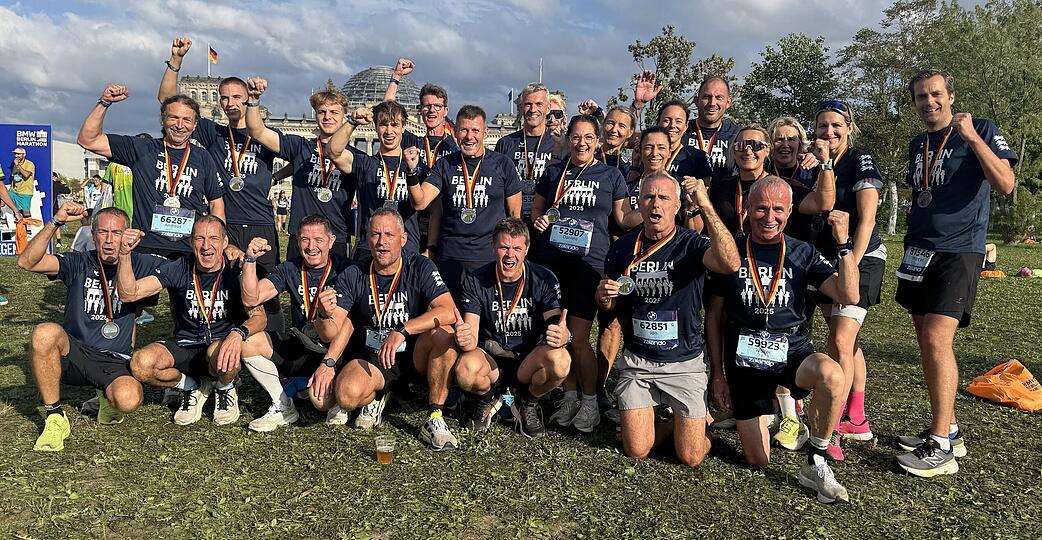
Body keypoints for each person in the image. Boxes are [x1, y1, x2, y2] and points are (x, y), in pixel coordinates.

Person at [894, 69, 1017, 477]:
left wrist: (973, 138)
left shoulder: (981, 129)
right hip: (918, 250)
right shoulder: (918, 144)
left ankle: (941, 447)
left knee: (936, 338)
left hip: (959, 249)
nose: (928, 102)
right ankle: (948, 428)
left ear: (951, 96)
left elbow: (1006, 183)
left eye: (935, 94)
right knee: (925, 341)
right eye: (921, 96)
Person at [708, 176, 858, 503]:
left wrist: (844, 244)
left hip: (791, 350)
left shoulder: (803, 251)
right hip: (744, 359)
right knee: (757, 459)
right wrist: (717, 374)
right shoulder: (731, 251)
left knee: (832, 375)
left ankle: (816, 460)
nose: (769, 217)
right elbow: (714, 316)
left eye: (778, 209)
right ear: (748, 209)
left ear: (789, 212)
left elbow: (849, 294)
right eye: (761, 208)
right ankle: (774, 413)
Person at [596, 171, 739, 466]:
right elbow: (609, 305)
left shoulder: (692, 244)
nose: (655, 204)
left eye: (664, 198)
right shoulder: (623, 247)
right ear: (639, 203)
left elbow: (730, 263)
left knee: (691, 456)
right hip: (638, 361)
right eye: (648, 197)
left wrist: (705, 204)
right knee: (636, 449)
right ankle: (673, 425)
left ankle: (694, 428)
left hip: (683, 362)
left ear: (677, 206)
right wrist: (604, 297)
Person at [159, 37, 286, 331]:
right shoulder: (213, 133)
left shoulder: (265, 136)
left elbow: (301, 156)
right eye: (224, 98)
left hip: (260, 222)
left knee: (267, 287)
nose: (231, 103)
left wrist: (276, 177)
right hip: (226, 223)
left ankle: (274, 340)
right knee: (223, 283)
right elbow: (168, 100)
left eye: (237, 97)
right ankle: (220, 333)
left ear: (248, 99)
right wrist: (175, 61)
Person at [18, 203, 166, 451]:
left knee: (128, 399)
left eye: (116, 233)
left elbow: (184, 268)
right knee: (44, 333)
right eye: (102, 232)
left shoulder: (141, 264)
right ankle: (55, 417)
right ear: (93, 234)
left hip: (114, 359)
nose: (109, 240)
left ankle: (105, 395)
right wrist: (56, 221)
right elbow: (27, 262)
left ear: (127, 234)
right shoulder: (79, 261)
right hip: (75, 352)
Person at [117, 216, 266, 426]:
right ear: (190, 242)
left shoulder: (237, 268)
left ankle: (226, 387)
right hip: (184, 344)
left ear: (225, 242)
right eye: (199, 238)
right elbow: (129, 294)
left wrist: (237, 335)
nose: (206, 246)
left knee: (224, 351)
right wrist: (124, 255)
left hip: (221, 346)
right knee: (141, 364)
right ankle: (190, 387)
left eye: (214, 238)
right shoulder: (179, 267)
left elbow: (259, 317)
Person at [529, 114, 627, 432]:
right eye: (576, 136)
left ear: (597, 141)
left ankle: (590, 401)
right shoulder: (554, 172)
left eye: (588, 137)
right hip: (552, 264)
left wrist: (660, 210)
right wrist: (538, 220)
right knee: (559, 333)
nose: (581, 143)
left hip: (589, 265)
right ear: (568, 138)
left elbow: (623, 218)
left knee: (580, 337)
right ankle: (569, 396)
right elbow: (537, 208)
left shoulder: (611, 175)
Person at [333, 209, 458, 447]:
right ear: (367, 238)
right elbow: (334, 327)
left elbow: (448, 310)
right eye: (375, 234)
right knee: (346, 396)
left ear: (403, 239)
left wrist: (403, 330)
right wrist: (323, 315)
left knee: (445, 334)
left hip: (414, 354)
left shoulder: (420, 266)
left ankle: (435, 416)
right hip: (374, 358)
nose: (381, 242)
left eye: (389, 235)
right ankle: (378, 395)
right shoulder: (355, 271)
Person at [808, 101, 887, 461]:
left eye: (836, 125)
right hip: (827, 258)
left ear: (849, 128)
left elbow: (867, 218)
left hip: (859, 255)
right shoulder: (816, 161)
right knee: (844, 340)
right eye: (822, 126)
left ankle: (834, 424)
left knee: (840, 339)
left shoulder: (860, 160)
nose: (829, 132)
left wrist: (851, 261)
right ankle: (856, 416)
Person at [75, 83, 225, 260]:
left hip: (188, 250)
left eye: (187, 120)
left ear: (195, 125)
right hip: (145, 247)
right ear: (163, 120)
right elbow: (88, 139)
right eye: (173, 118)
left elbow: (216, 203)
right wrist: (104, 102)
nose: (179, 125)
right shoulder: (142, 148)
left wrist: (218, 244)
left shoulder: (203, 157)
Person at [454, 217, 571, 437]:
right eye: (504, 247)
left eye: (517, 248)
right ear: (493, 247)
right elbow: (471, 333)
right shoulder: (476, 279)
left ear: (527, 249)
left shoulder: (543, 277)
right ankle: (487, 400)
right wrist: (464, 338)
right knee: (465, 370)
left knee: (561, 360)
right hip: (491, 360)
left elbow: (555, 324)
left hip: (528, 360)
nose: (510, 255)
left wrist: (564, 335)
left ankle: (527, 403)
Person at [239, 214, 354, 431]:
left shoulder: (347, 270)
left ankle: (320, 387)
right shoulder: (290, 268)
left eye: (318, 240)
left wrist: (328, 362)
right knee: (248, 343)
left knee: (320, 401)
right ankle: (282, 403)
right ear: (297, 240)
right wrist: (250, 260)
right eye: (305, 239)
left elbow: (344, 326)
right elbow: (251, 299)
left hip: (334, 351)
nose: (311, 247)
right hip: (302, 344)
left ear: (331, 241)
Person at [764, 117, 835, 450]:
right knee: (766, 331)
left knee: (794, 335)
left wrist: (824, 163)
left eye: (791, 138)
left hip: (798, 264)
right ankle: (777, 408)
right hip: (761, 261)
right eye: (778, 139)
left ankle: (793, 413)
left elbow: (824, 202)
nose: (785, 144)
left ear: (801, 143)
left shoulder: (810, 171)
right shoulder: (761, 170)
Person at [406, 105, 523, 294]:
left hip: (488, 258)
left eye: (475, 130)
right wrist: (411, 172)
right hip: (450, 257)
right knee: (450, 312)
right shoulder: (444, 164)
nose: (469, 137)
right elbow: (420, 202)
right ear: (454, 132)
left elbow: (515, 216)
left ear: (485, 132)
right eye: (464, 130)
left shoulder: (503, 164)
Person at [244, 77, 359, 259]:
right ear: (315, 116)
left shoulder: (355, 157)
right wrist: (253, 99)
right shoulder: (301, 147)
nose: (327, 117)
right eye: (322, 112)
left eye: (334, 112)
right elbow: (258, 132)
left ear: (344, 116)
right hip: (301, 236)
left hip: (335, 236)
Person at [328, 102, 427, 255]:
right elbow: (333, 152)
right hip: (370, 249)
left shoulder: (417, 167)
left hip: (406, 249)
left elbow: (426, 207)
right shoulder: (365, 164)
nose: (389, 131)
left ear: (403, 127)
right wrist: (352, 122)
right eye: (383, 125)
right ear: (375, 127)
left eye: (394, 125)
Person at [382, 58, 457, 258]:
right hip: (414, 221)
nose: (431, 110)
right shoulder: (412, 141)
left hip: (446, 224)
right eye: (426, 106)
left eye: (437, 106)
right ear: (420, 111)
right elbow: (387, 111)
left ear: (445, 111)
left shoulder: (455, 147)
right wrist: (396, 76)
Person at [627, 102, 713, 231]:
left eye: (678, 121)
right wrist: (638, 103)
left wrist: (694, 205)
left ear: (686, 126)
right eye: (667, 120)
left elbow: (697, 222)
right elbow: (622, 135)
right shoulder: (641, 158)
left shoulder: (696, 157)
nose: (672, 125)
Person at [495, 83, 560, 222]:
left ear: (548, 108)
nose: (533, 109)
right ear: (521, 107)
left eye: (539, 104)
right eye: (528, 104)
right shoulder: (505, 143)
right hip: (514, 221)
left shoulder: (560, 144)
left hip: (546, 221)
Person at [687, 77, 742, 183]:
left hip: (724, 193)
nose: (712, 103)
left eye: (719, 97)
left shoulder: (737, 135)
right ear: (696, 101)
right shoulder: (681, 131)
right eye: (707, 97)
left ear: (728, 102)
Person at [7, 147, 36, 218]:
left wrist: (18, 165)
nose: (16, 156)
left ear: (24, 154)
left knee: (25, 212)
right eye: (15, 154)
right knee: (3, 202)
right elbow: (14, 177)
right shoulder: (15, 164)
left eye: (18, 154)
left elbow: (26, 175)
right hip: (14, 191)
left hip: (25, 192)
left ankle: (28, 225)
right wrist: (11, 189)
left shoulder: (29, 164)